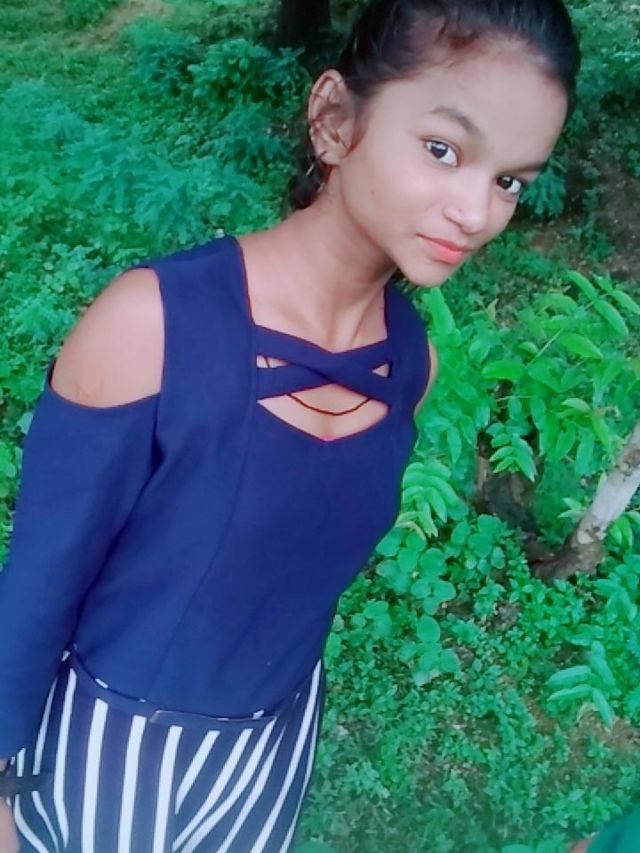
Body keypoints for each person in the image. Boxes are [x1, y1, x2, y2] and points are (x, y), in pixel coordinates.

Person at [0, 0, 579, 850]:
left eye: (509, 181)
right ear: (335, 118)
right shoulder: (153, 325)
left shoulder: (408, 362)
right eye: (443, 150)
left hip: (270, 753)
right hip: (108, 755)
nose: (476, 211)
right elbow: (38, 581)